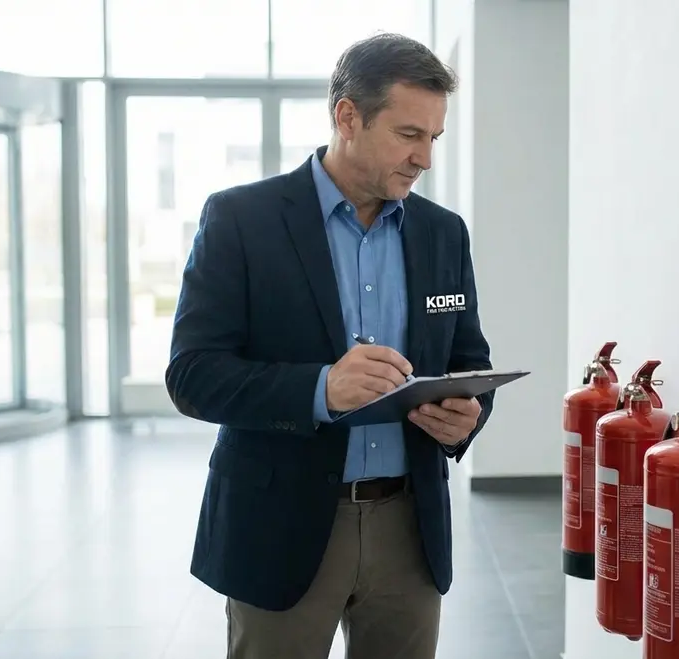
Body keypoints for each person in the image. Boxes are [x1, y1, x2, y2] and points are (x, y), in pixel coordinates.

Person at [165, 33, 494, 659]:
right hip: (281, 526)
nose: (424, 157)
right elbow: (192, 375)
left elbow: (468, 362)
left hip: (409, 528)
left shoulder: (442, 234)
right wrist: (321, 390)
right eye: (407, 135)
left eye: (433, 138)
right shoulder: (241, 220)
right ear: (347, 116)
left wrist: (465, 420)